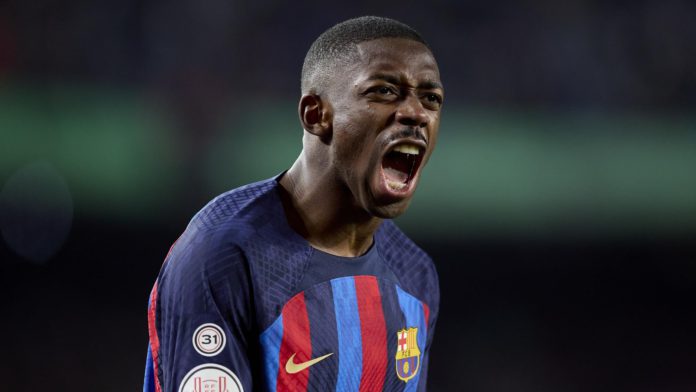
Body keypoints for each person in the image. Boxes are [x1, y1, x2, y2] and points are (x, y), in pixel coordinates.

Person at [144, 15, 444, 392]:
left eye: (431, 98)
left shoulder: (415, 276)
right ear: (316, 115)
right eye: (384, 91)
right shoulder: (224, 256)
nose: (417, 113)